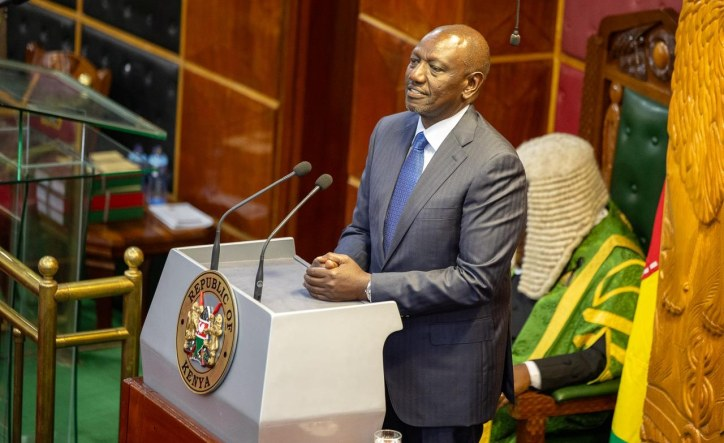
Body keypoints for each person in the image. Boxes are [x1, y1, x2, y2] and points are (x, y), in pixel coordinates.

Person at [303, 24, 527, 443]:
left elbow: (476, 280)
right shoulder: (388, 131)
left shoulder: (494, 163)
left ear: (471, 85)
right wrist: (341, 262)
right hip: (371, 362)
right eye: (414, 60)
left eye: (435, 68)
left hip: (443, 379)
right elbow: (363, 228)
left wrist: (365, 285)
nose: (416, 75)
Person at [490, 133, 646, 441]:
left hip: (546, 414)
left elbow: (600, 357)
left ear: (556, 204)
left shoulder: (621, 267)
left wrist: (528, 373)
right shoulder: (538, 237)